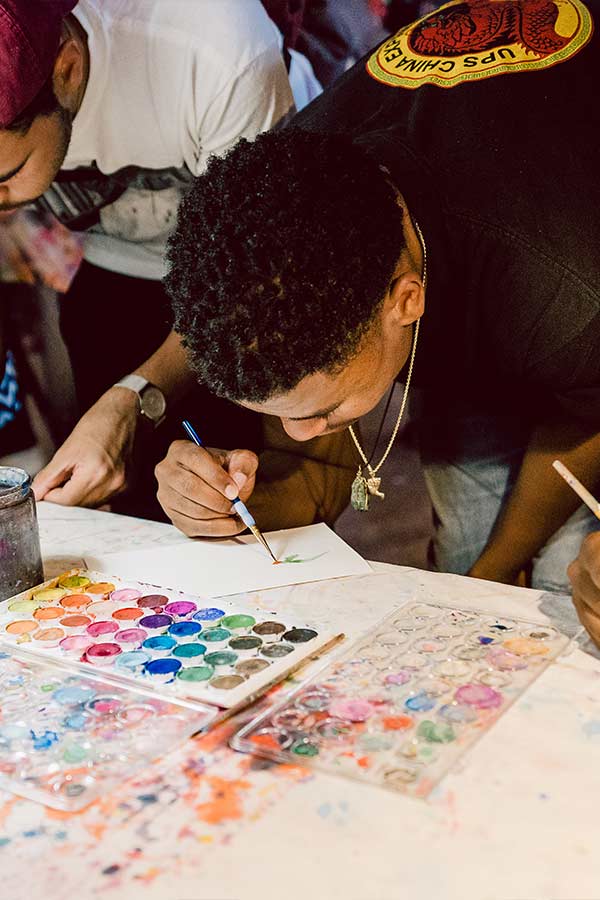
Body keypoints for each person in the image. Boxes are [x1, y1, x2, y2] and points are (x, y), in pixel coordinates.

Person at [158, 0, 600, 596]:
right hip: (498, 291)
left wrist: (492, 575)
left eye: (320, 409)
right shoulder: (283, 205)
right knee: (471, 554)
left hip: (569, 290)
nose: (299, 432)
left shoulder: (560, 282)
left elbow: (587, 417)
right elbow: (320, 481)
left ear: (407, 302)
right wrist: (232, 504)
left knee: (562, 585)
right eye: (283, 413)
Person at [0, 0, 299, 518]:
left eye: (4, 181)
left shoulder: (217, 54)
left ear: (65, 69)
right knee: (133, 503)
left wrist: (134, 397)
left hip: (268, 272)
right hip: (114, 268)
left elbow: (254, 285)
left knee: (237, 493)